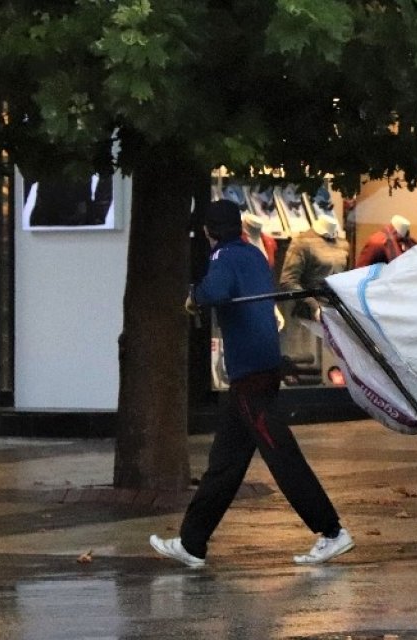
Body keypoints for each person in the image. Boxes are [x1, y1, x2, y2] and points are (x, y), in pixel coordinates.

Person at [150, 199, 352, 568]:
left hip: (250, 376)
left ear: (210, 231)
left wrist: (194, 296)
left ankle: (332, 531)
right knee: (224, 464)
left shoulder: (223, 257)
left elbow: (215, 291)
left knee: (282, 455)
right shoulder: (255, 255)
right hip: (263, 369)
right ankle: (192, 542)